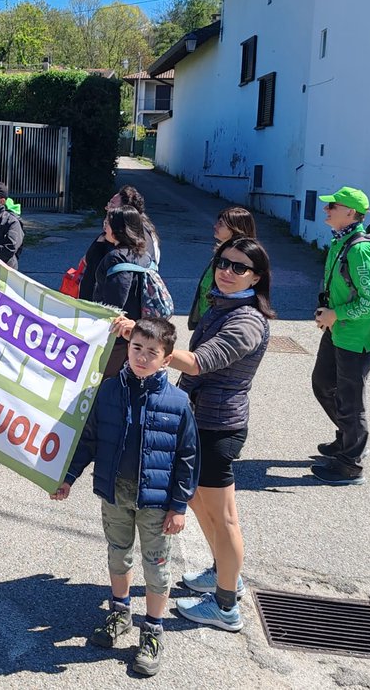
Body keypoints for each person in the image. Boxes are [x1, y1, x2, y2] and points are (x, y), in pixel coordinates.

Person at [118, 236, 274, 633]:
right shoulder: (225, 305)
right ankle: (225, 573)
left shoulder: (248, 320)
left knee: (223, 519)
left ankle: (225, 606)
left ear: (257, 276)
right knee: (203, 507)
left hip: (218, 426)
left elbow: (200, 363)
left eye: (239, 268)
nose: (227, 271)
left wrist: (141, 337)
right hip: (201, 420)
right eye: (224, 263)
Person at [50, 317, 198, 677]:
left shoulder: (178, 402)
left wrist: (178, 506)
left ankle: (152, 631)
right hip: (115, 493)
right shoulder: (109, 391)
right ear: (128, 349)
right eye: (137, 349)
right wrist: (68, 476)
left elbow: (189, 457)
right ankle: (119, 612)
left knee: (156, 566)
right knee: (118, 554)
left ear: (166, 359)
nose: (142, 357)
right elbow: (89, 440)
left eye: (152, 352)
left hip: (157, 502)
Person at [310, 186, 370, 487]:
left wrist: (336, 314)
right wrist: (330, 313)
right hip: (338, 331)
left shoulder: (360, 248)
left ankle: (351, 465)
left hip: (357, 337)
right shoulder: (342, 241)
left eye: (333, 206)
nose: (326, 210)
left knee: (351, 401)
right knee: (323, 384)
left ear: (351, 213)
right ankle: (348, 440)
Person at [92, 206, 154, 377]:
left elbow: (115, 303)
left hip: (118, 336)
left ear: (119, 229)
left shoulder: (117, 257)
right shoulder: (144, 255)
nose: (105, 226)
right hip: (137, 330)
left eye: (109, 223)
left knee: (107, 382)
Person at [79, 185, 161, 301]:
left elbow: (117, 297)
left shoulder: (122, 251)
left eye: (112, 205)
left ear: (126, 211)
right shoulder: (122, 236)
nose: (107, 208)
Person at [188, 207, 258, 329]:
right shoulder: (222, 253)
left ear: (235, 228)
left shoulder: (244, 258)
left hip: (220, 321)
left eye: (221, 224)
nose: (215, 226)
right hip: (208, 318)